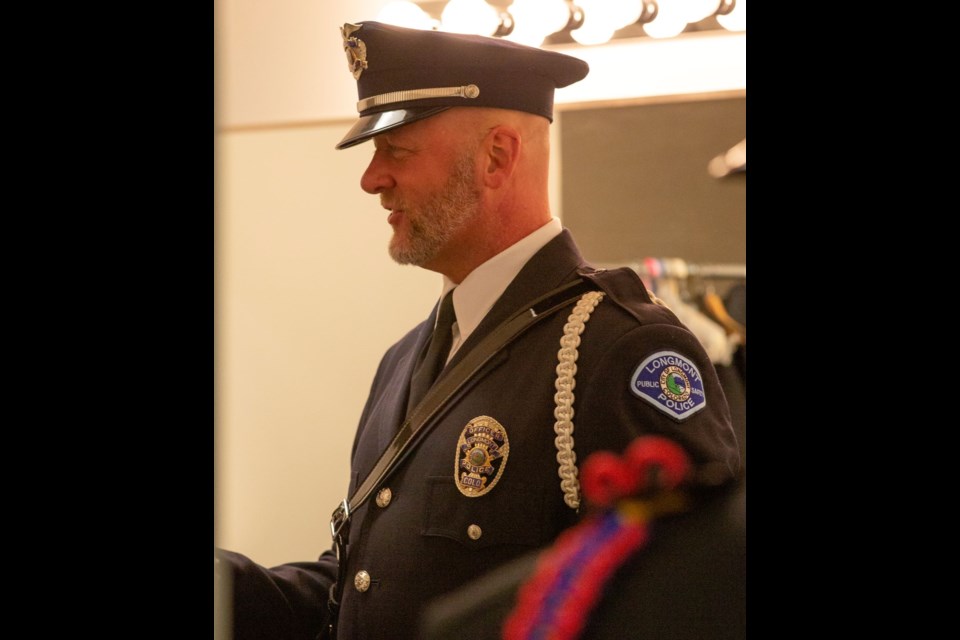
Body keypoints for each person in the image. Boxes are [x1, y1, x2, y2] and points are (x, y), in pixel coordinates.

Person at [215, 20, 741, 640]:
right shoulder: (405, 358)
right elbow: (361, 590)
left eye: (398, 151)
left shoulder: (616, 349)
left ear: (497, 156)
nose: (371, 178)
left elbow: (692, 594)